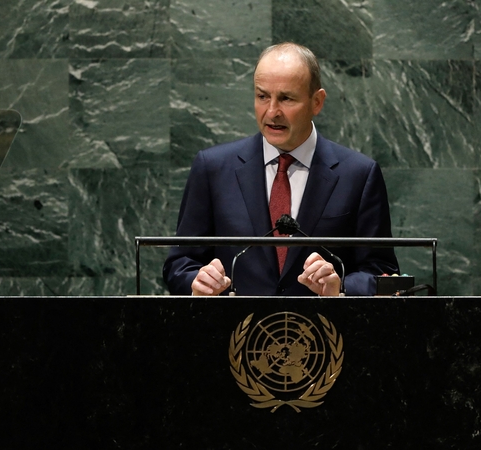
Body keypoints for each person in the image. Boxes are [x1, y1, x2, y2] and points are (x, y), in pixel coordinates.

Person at [163, 42, 398, 297]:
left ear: (317, 102)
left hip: (321, 322)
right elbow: (180, 264)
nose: (272, 112)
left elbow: (381, 272)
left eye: (286, 98)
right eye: (262, 96)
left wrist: (339, 288)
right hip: (236, 322)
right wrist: (198, 283)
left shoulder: (359, 175)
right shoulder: (213, 168)